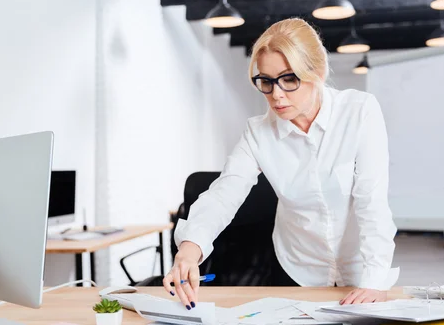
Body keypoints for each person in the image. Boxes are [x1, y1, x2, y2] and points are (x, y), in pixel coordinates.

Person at [163, 18, 397, 309]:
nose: (276, 94)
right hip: (296, 270)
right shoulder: (258, 133)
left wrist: (374, 280)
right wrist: (189, 248)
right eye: (266, 81)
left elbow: (371, 201)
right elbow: (224, 193)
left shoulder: (360, 112)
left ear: (318, 72)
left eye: (289, 79)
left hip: (360, 270)